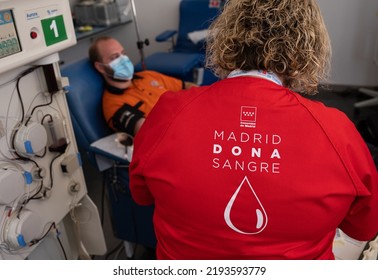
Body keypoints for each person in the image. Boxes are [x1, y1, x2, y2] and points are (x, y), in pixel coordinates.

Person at [129, 0, 378, 260]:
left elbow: (141, 195)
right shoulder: (337, 133)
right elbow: (363, 227)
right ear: (306, 46)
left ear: (227, 36)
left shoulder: (168, 113)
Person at [88, 36, 197, 137]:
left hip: (193, 119)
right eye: (115, 57)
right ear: (100, 67)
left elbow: (185, 86)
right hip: (179, 136)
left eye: (123, 53)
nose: (124, 59)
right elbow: (149, 132)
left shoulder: (147, 76)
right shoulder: (114, 104)